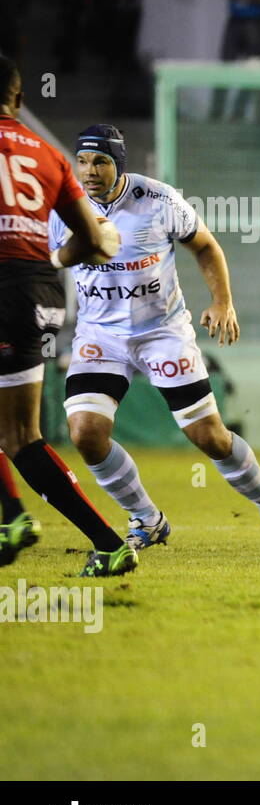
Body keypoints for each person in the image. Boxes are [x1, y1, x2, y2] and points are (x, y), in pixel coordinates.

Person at [48, 124, 260, 573]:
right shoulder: (63, 208)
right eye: (82, 161)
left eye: (100, 161)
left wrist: (222, 301)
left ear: (120, 163)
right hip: (100, 336)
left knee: (209, 438)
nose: (90, 171)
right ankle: (147, 518)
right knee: (85, 433)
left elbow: (206, 246)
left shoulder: (158, 200)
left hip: (162, 332)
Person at [0, 57, 131, 573]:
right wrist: (50, 260)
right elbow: (94, 240)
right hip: (41, 293)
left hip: (3, 288)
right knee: (20, 437)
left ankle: (12, 516)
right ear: (18, 96)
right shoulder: (49, 155)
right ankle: (109, 545)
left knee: (16, 435)